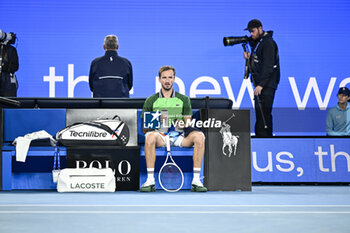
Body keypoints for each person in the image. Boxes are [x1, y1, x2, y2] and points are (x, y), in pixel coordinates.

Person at [140, 65, 207, 192]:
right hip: (160, 136)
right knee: (149, 136)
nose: (167, 80)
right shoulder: (151, 100)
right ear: (159, 79)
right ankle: (150, 181)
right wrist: (155, 122)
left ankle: (196, 181)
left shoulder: (183, 99)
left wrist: (183, 124)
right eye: (164, 77)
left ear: (174, 79)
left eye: (170, 77)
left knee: (199, 136)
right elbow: (144, 129)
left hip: (179, 136)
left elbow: (188, 123)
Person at [243, 19, 280, 137]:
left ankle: (265, 138)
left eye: (253, 31)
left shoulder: (268, 43)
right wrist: (249, 58)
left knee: (264, 113)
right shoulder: (260, 42)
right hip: (261, 84)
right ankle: (260, 136)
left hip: (266, 84)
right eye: (250, 32)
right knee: (260, 113)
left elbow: (268, 65)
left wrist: (261, 84)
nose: (251, 34)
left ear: (260, 28)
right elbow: (259, 62)